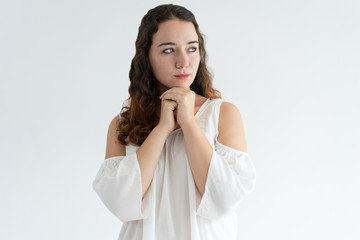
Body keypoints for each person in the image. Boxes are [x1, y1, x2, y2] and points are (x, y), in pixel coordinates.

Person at [93, 4, 256, 240]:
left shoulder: (223, 114)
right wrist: (161, 130)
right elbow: (121, 204)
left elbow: (224, 199)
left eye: (192, 48)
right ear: (146, 56)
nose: (183, 61)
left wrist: (189, 123)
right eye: (168, 50)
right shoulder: (123, 124)